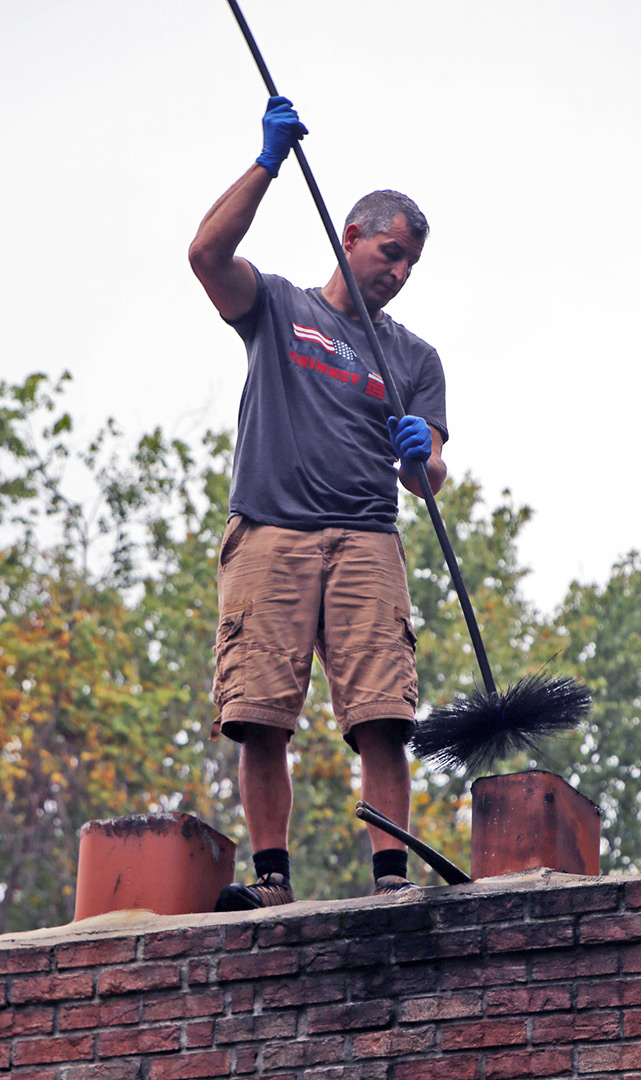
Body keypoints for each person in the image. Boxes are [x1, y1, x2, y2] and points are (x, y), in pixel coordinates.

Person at [188, 96, 447, 910]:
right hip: (271, 532)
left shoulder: (414, 356)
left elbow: (430, 473)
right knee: (260, 713)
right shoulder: (279, 307)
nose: (398, 273)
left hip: (368, 539)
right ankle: (271, 882)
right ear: (352, 236)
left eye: (410, 265)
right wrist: (266, 162)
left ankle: (391, 882)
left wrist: (422, 459)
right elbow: (204, 255)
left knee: (383, 715)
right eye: (391, 253)